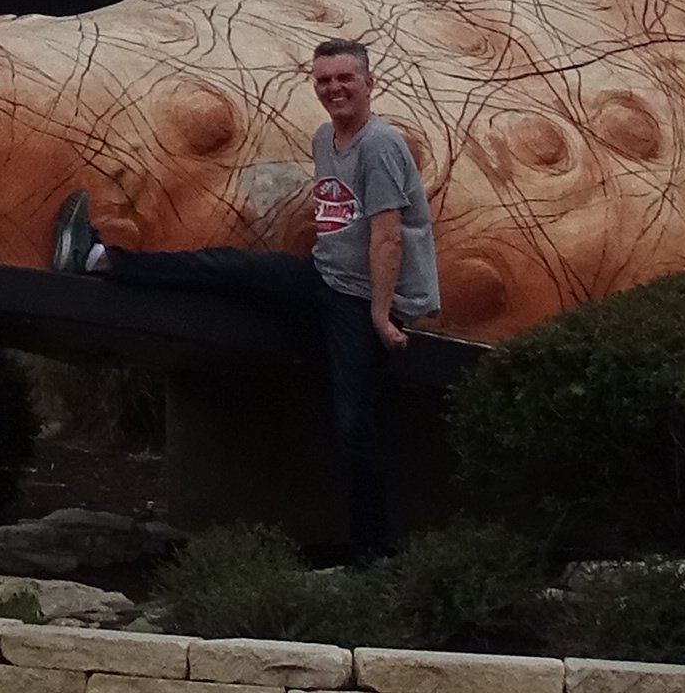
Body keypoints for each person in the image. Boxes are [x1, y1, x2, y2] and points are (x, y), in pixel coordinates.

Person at [49, 37, 437, 558]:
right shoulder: (327, 139)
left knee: (353, 422)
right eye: (324, 79)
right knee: (227, 267)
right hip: (324, 280)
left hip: (364, 299)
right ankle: (102, 260)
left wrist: (381, 313)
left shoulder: (380, 146)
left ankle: (372, 555)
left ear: (369, 83)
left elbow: (388, 234)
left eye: (345, 78)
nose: (334, 88)